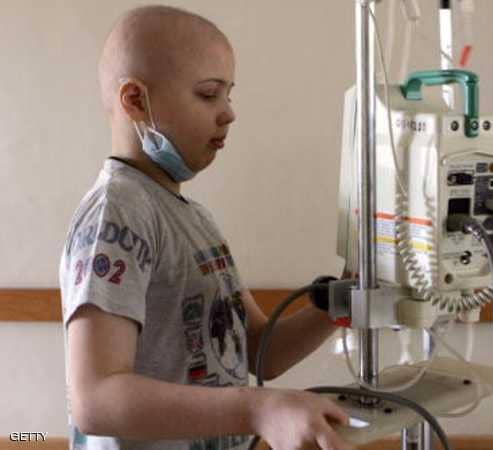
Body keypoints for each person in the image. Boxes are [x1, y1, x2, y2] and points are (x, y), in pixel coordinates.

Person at [59, 6, 351, 450]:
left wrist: (347, 298)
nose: (229, 113)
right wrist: (258, 409)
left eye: (228, 95)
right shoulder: (117, 213)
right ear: (135, 100)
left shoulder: (194, 218)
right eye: (209, 94)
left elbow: (261, 352)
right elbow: (95, 400)